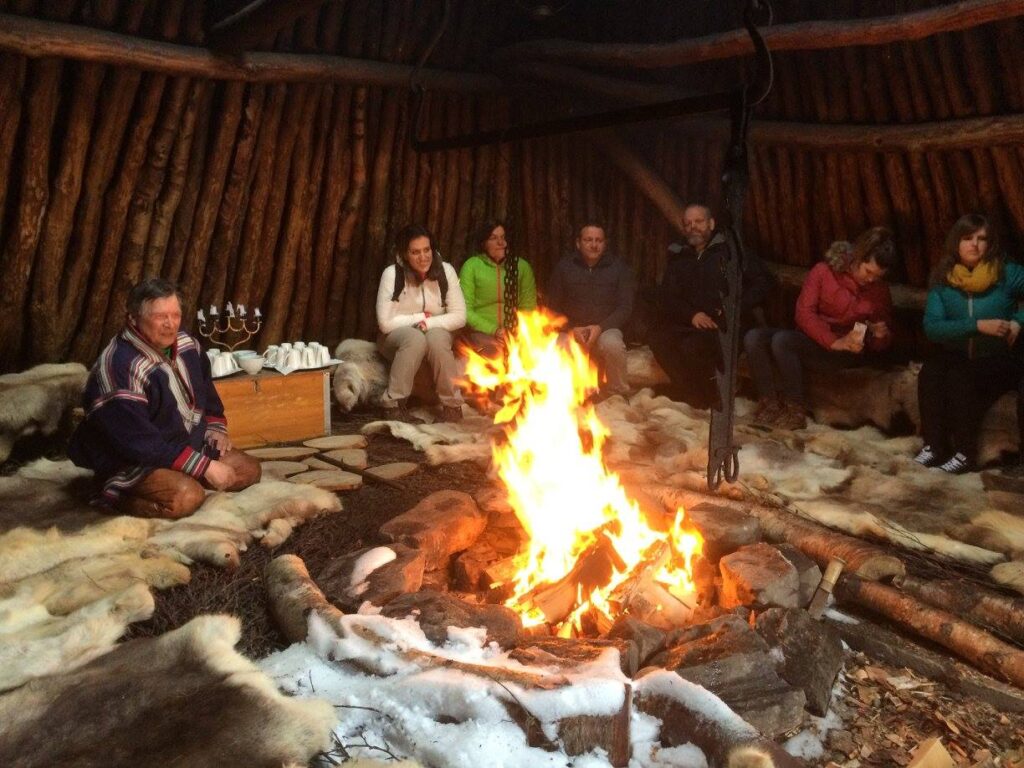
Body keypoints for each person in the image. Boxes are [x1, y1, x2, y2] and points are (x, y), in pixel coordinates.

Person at [68, 278, 261, 519]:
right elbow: (138, 443)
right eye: (160, 317)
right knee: (186, 498)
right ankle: (111, 491)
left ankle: (184, 476)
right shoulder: (119, 366)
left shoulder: (188, 345)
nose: (170, 324)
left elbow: (207, 393)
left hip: (185, 444)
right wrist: (204, 466)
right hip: (133, 459)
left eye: (176, 315)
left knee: (248, 470)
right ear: (133, 319)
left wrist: (215, 427)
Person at [743, 226, 898, 430]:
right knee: (754, 337)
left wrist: (879, 335)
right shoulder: (824, 272)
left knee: (782, 341)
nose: (870, 279)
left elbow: (879, 341)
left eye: (877, 276)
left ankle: (795, 409)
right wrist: (833, 340)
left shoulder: (879, 291)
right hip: (816, 340)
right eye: (868, 272)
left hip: (844, 352)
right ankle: (769, 402)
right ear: (857, 259)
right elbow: (804, 313)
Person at [915, 214, 1024, 474]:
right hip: (959, 352)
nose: (974, 244)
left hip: (998, 356)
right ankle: (934, 446)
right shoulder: (944, 279)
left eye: (981, 239)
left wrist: (1019, 321)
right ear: (957, 242)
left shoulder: (1006, 272)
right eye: (967, 238)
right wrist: (976, 326)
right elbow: (933, 327)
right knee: (930, 373)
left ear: (990, 244)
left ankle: (965, 454)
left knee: (961, 378)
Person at [649, 203, 773, 409]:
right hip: (692, 322)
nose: (693, 227)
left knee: (694, 347)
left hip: (726, 324)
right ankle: (691, 392)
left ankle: (706, 396)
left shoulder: (731, 253)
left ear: (711, 223)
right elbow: (667, 295)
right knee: (658, 338)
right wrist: (692, 314)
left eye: (698, 221)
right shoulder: (680, 256)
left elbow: (764, 282)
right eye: (688, 223)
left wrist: (732, 308)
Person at [376, 223, 467, 421]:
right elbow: (385, 323)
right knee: (415, 339)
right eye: (415, 252)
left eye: (427, 250)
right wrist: (419, 319)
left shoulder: (445, 271)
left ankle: (452, 407)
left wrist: (429, 324)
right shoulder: (393, 274)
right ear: (405, 254)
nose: (423, 257)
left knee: (437, 339)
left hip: (434, 327)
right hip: (397, 334)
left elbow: (460, 315)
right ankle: (393, 405)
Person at [546, 221, 635, 399]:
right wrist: (571, 329)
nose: (594, 245)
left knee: (613, 346)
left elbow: (625, 307)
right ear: (578, 243)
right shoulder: (564, 268)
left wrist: (600, 327)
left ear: (604, 243)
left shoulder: (619, 269)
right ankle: (567, 397)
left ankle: (617, 394)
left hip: (605, 328)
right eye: (588, 240)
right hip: (571, 328)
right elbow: (552, 308)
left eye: (598, 240)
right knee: (561, 346)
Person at [458, 220, 537, 357]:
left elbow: (528, 306)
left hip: (516, 332)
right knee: (497, 353)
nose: (501, 243)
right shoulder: (472, 267)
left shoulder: (522, 267)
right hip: (482, 333)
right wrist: (494, 330)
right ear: (483, 243)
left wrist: (517, 330)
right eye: (493, 238)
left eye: (503, 237)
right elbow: (465, 311)